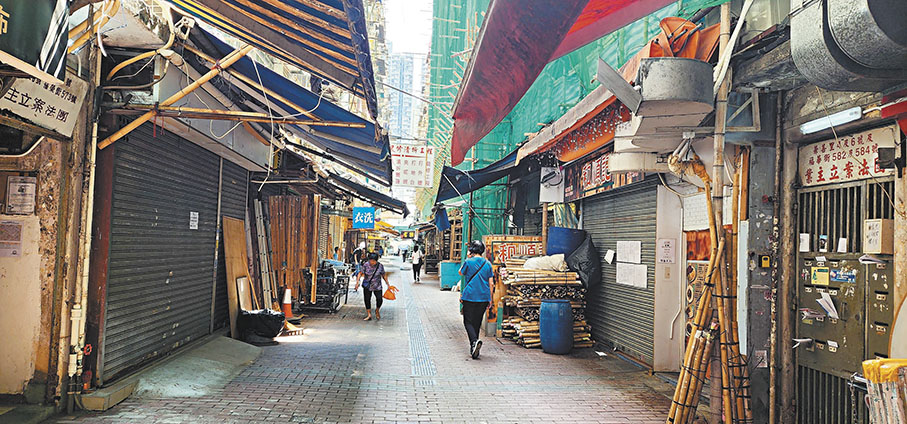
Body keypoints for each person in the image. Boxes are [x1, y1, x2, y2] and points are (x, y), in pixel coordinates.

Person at [458, 240, 494, 359]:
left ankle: (474, 342)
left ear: (472, 250)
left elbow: (460, 273)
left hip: (469, 296)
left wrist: (467, 257)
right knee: (477, 322)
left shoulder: (468, 262)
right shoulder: (488, 264)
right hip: (483, 297)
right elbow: (491, 283)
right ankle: (474, 346)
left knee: (468, 321)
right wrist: (490, 299)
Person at [355, 252, 389, 321]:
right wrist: (357, 282)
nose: (372, 262)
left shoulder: (380, 266)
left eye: (373, 261)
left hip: (377, 285)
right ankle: (369, 314)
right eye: (371, 260)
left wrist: (388, 284)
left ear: (376, 260)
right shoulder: (366, 265)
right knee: (367, 299)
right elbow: (360, 273)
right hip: (368, 285)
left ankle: (377, 310)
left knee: (379, 299)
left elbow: (384, 275)